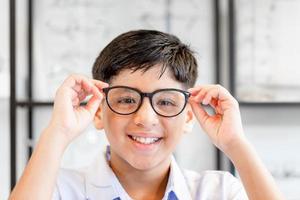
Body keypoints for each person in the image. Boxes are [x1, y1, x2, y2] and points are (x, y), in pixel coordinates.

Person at [10, 30, 284, 200]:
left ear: (188, 116)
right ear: (97, 111)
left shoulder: (217, 192)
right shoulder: (56, 190)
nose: (146, 118)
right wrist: (57, 133)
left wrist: (235, 143)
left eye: (165, 102)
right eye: (127, 99)